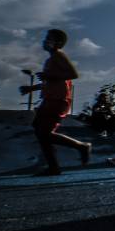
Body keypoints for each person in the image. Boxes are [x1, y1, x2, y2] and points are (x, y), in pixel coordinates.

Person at [19, 29, 91, 176]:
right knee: (40, 132)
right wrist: (31, 88)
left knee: (44, 133)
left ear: (57, 43)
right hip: (48, 100)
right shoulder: (50, 61)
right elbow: (50, 82)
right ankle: (53, 167)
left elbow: (73, 74)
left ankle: (82, 147)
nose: (45, 41)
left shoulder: (59, 55)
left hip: (58, 101)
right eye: (46, 38)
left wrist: (50, 76)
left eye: (49, 38)